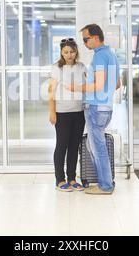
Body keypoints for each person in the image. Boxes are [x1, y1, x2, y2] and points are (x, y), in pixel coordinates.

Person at [67, 24, 121, 195]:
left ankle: (105, 186)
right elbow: (118, 84)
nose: (84, 43)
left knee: (98, 148)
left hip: (96, 108)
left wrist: (77, 88)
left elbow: (97, 85)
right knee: (96, 147)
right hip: (106, 107)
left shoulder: (99, 57)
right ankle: (104, 182)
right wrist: (104, 96)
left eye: (86, 39)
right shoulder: (112, 55)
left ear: (96, 37)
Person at [48, 38, 87, 192]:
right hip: (62, 112)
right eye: (66, 52)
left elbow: (87, 86)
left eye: (72, 52)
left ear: (76, 51)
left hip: (79, 112)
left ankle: (72, 178)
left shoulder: (81, 67)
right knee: (61, 146)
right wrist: (52, 112)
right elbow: (51, 91)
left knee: (74, 147)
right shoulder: (56, 67)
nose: (69, 55)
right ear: (61, 52)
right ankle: (60, 180)